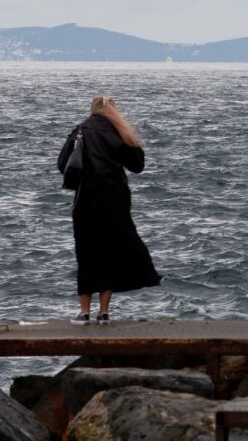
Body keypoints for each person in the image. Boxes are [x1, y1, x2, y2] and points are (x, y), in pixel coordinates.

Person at [57, 96, 161, 325]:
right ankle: (104, 312)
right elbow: (138, 165)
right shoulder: (119, 132)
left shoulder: (80, 131)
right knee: (110, 253)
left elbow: (62, 163)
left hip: (87, 198)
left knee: (87, 253)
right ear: (113, 112)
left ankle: (83, 312)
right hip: (116, 198)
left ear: (92, 110)